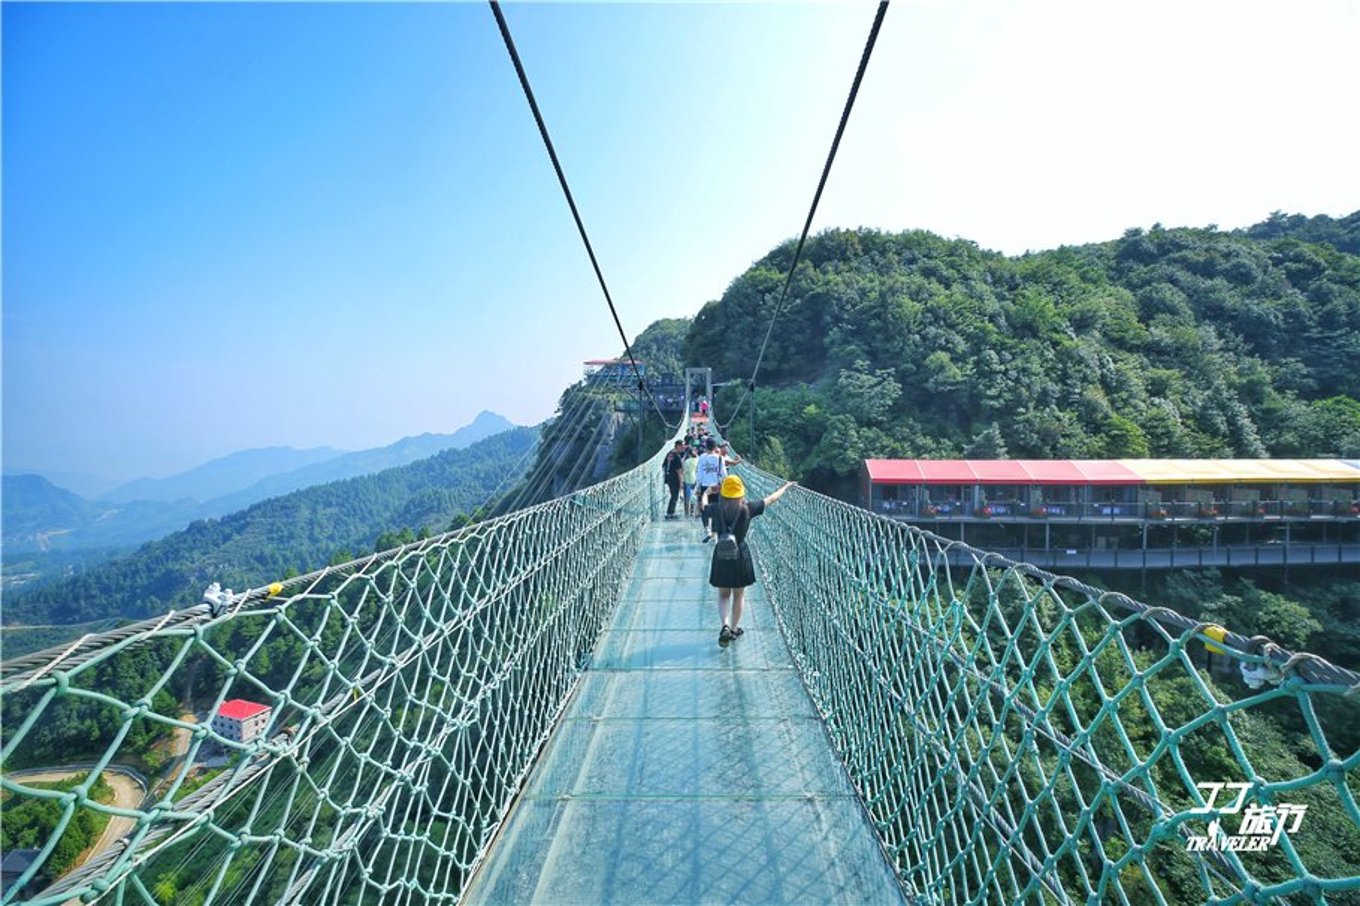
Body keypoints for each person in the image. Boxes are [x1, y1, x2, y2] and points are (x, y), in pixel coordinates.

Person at [703, 475, 794, 646]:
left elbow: (702, 508)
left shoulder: (717, 508)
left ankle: (724, 626)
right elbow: (771, 499)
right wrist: (786, 487)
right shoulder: (748, 509)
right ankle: (734, 628)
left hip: (721, 555)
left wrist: (707, 492)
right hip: (741, 554)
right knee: (739, 595)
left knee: (723, 595)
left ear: (723, 493)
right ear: (740, 493)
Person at [694, 438, 725, 541]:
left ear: (706, 446)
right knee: (716, 510)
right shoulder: (720, 458)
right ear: (715, 447)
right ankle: (715, 535)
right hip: (716, 486)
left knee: (704, 509)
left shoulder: (701, 458)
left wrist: (698, 486)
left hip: (704, 486)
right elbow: (723, 474)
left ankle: (707, 529)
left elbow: (699, 473)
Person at [662, 440, 685, 519]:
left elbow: (664, 465)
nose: (683, 448)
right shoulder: (677, 456)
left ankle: (670, 512)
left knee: (673, 495)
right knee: (675, 496)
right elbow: (678, 470)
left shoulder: (669, 453)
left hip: (668, 477)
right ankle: (670, 513)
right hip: (675, 478)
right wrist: (681, 481)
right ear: (677, 446)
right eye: (682, 446)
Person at [681, 445, 699, 516]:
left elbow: (685, 471)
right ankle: (692, 511)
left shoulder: (687, 461)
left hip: (687, 480)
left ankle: (686, 512)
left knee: (687, 497)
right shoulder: (698, 460)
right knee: (694, 496)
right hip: (696, 480)